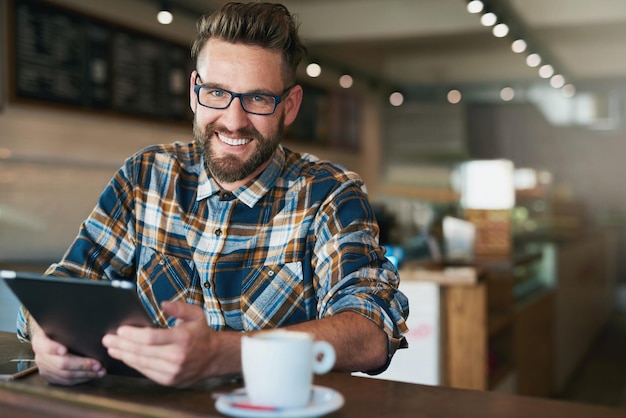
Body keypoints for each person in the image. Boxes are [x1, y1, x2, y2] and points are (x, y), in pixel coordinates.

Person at [17, 1, 409, 387]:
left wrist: (222, 353)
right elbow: (65, 285)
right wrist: (44, 337)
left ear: (289, 106)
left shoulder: (330, 194)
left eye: (258, 99)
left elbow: (369, 330)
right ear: (194, 91)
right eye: (217, 93)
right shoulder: (145, 176)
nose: (234, 121)